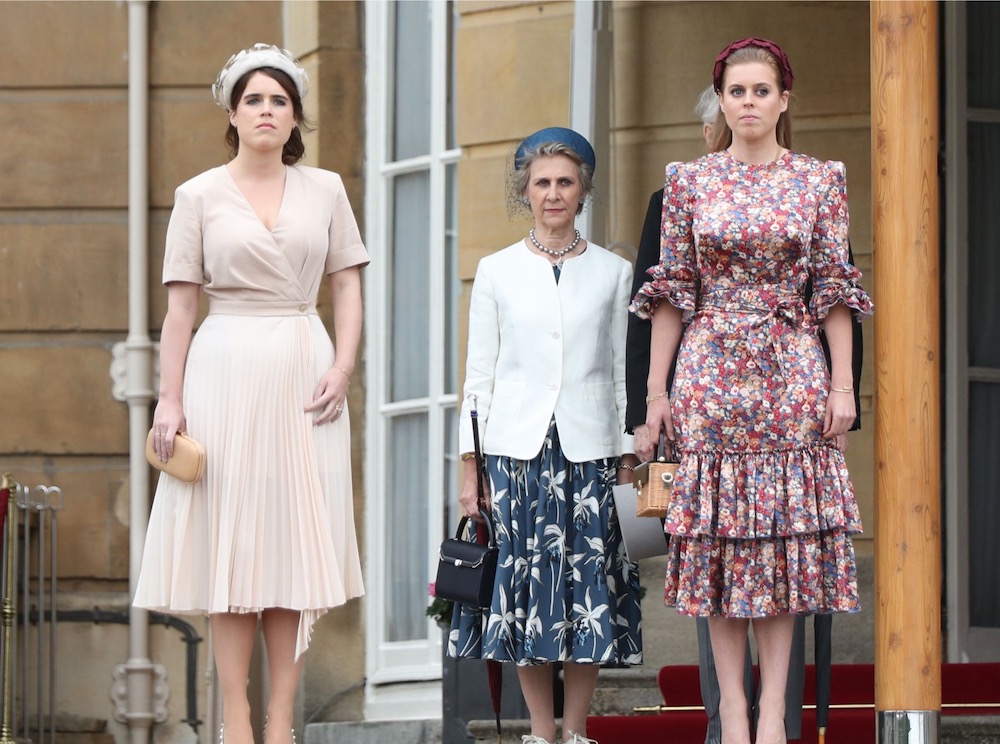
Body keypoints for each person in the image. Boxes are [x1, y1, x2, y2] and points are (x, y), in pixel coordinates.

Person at [631, 37, 873, 744]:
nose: (749, 103)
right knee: (720, 546)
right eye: (737, 92)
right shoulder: (689, 181)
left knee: (782, 548)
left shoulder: (819, 180)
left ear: (783, 100)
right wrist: (656, 394)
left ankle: (775, 718)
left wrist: (844, 386)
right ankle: (731, 715)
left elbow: (834, 291)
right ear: (723, 101)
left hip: (793, 372)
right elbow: (672, 293)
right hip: (709, 378)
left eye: (761, 91)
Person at [133, 43, 368, 744]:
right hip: (223, 366)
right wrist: (169, 400)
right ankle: (236, 715)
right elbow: (180, 309)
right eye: (254, 100)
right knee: (232, 544)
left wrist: (345, 364)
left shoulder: (326, 188)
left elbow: (347, 284)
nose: (267, 111)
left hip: (303, 364)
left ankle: (280, 720)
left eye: (280, 101)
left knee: (293, 542)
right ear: (233, 114)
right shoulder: (197, 196)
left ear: (296, 119)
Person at [450, 127, 643, 744]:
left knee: (587, 588)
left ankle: (577, 732)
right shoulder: (496, 271)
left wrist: (628, 456)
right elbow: (478, 377)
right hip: (514, 455)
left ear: (584, 189)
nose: (553, 193)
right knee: (527, 590)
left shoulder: (615, 273)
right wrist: (469, 471)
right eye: (542, 183)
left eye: (565, 181)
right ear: (525, 191)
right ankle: (541, 733)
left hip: (590, 454)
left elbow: (620, 373)